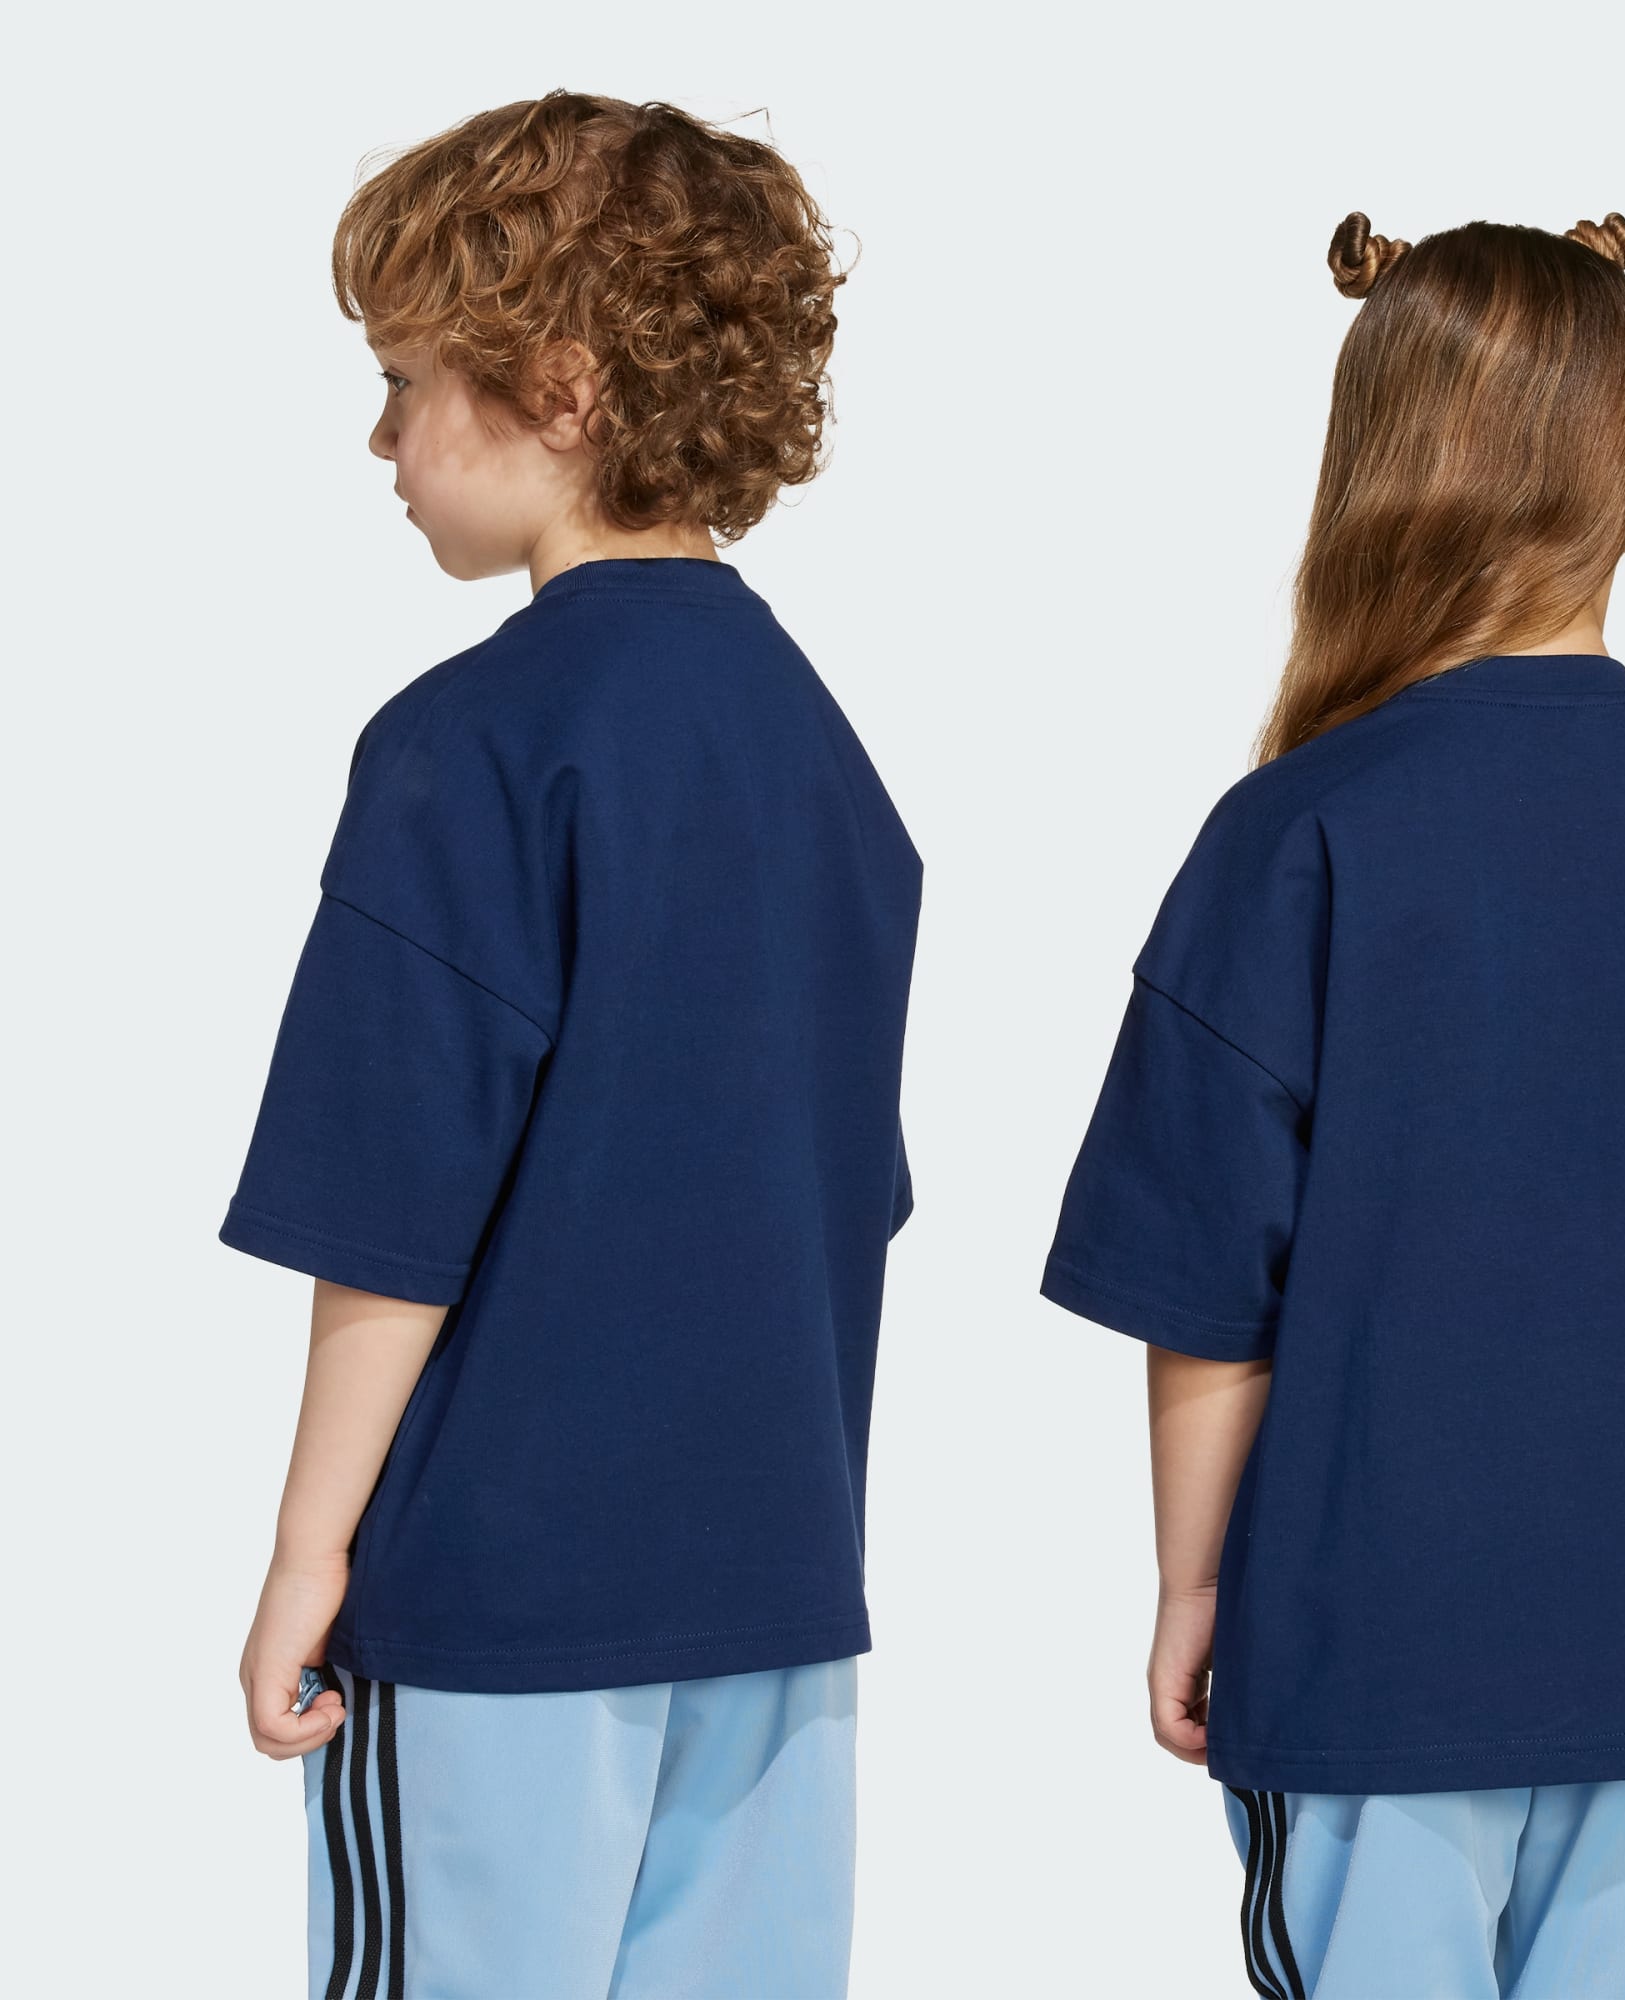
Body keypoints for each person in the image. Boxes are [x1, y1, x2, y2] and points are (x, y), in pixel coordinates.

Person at [1040, 211, 1625, 1999]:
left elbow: (1210, 1297)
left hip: (1371, 1662)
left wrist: (1193, 1593)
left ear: (1368, 477)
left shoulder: (1291, 838)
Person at [221, 92, 919, 2000]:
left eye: (402, 383)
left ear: (562, 384)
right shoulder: (823, 757)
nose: (379, 441)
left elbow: (388, 1214)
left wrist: (305, 1559)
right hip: (777, 1616)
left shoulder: (469, 745)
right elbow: (844, 1191)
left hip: (497, 1610)